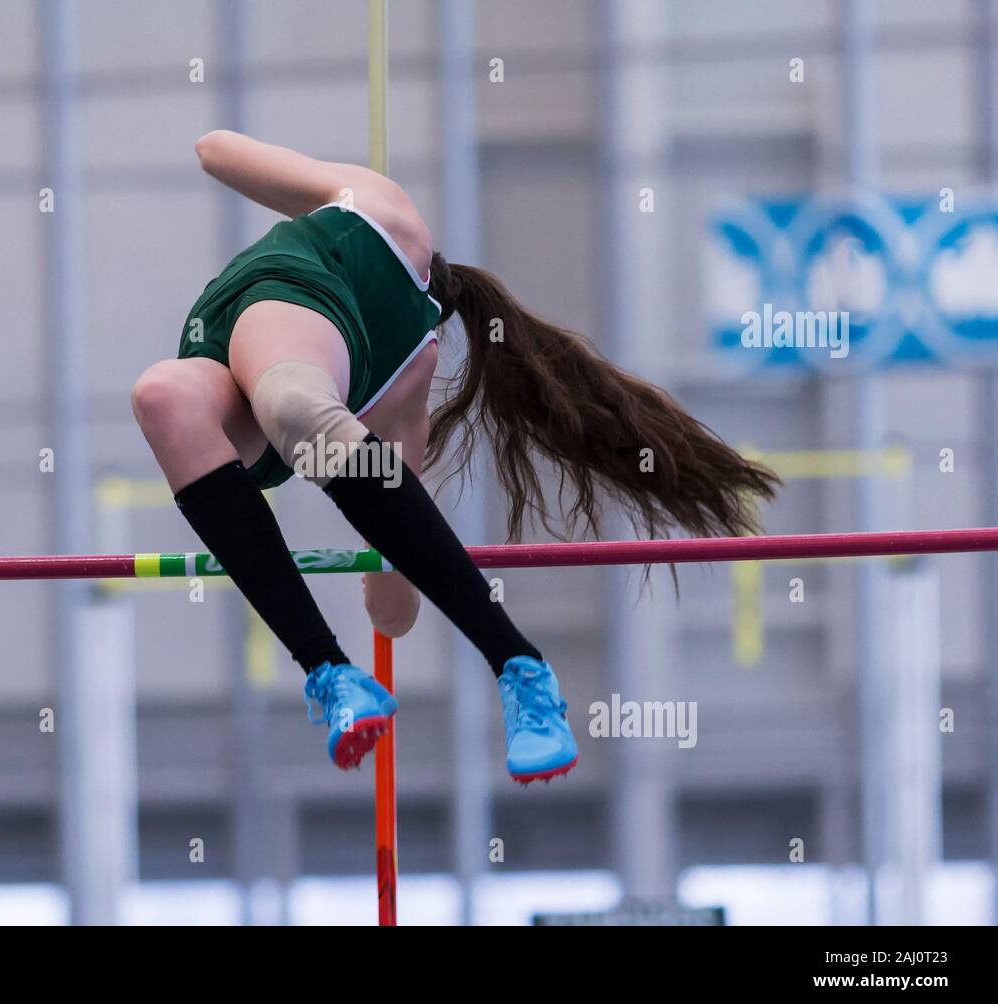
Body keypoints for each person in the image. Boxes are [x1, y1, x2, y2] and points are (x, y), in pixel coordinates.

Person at [132, 131, 779, 783]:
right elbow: (395, 603)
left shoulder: (388, 237)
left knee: (295, 408)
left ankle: (517, 665)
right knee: (161, 394)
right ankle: (335, 677)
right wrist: (387, 585)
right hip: (236, 391)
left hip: (295, 381)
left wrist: (391, 583)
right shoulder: (400, 335)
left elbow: (214, 148)